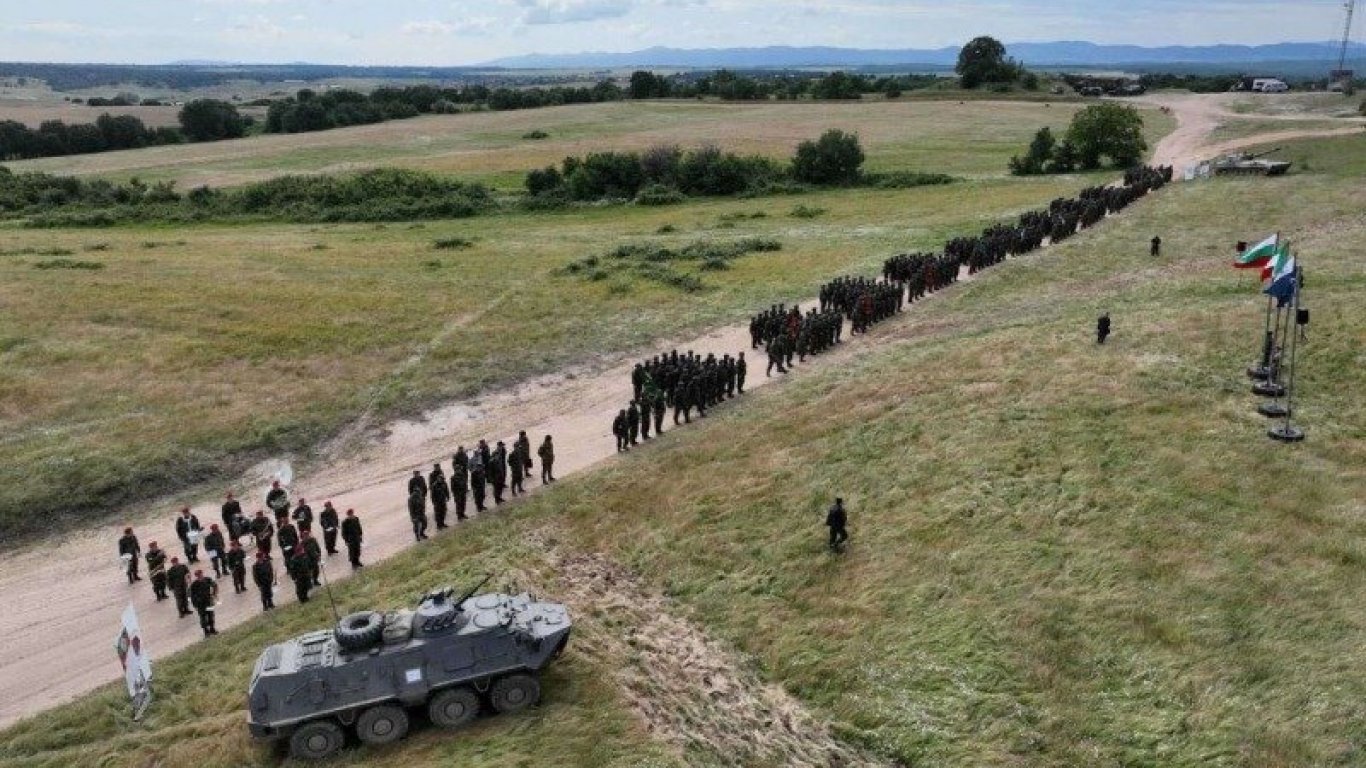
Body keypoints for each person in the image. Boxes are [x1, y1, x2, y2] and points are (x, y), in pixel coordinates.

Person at [189, 570, 219, 637]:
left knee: (211, 616)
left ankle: (212, 629)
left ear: (202, 574)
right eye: (198, 575)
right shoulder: (194, 585)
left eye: (200, 574)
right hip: (200, 604)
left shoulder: (207, 579)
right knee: (203, 618)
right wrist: (195, 605)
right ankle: (206, 631)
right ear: (196, 576)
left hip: (208, 602)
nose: (200, 576)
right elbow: (192, 596)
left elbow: (214, 585)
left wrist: (214, 594)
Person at [429, 463, 450, 529]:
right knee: (438, 513)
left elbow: (446, 489)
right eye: (436, 467)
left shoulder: (443, 481)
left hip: (443, 499)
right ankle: (439, 525)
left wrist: (448, 496)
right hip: (437, 500)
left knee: (444, 511)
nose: (438, 468)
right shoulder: (432, 477)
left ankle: (442, 523)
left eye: (438, 466)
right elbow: (432, 494)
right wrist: (433, 501)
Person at [451, 449, 470, 521]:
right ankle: (459, 516)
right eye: (458, 469)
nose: (459, 470)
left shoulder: (462, 475)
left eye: (459, 469)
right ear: (456, 470)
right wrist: (456, 494)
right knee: (458, 505)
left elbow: (464, 483)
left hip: (462, 492)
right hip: (458, 494)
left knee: (463, 504)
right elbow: (453, 488)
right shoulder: (453, 478)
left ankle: (463, 514)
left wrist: (465, 489)